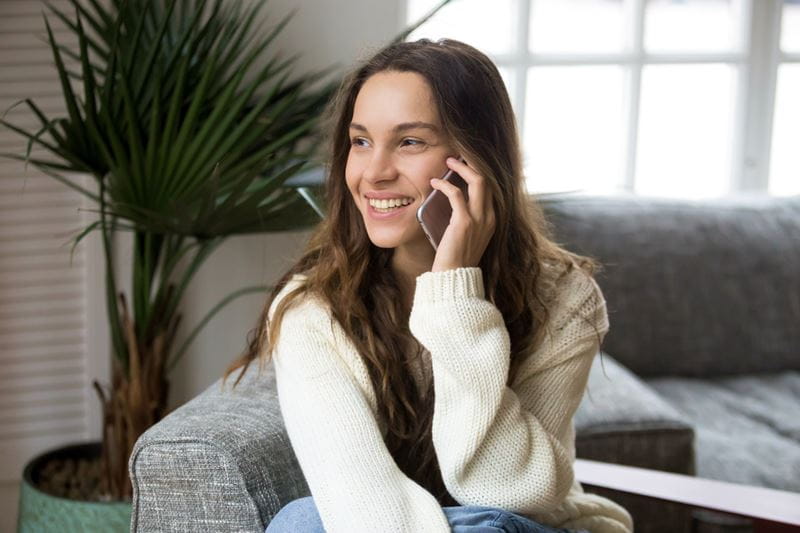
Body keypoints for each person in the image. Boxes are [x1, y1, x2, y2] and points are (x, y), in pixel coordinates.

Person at [223, 38, 634, 533]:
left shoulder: (565, 297)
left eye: (410, 142)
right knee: (304, 521)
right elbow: (366, 511)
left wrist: (455, 293)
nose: (374, 173)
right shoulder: (313, 311)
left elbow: (507, 491)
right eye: (360, 141)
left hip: (532, 526)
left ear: (475, 161)